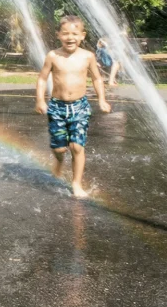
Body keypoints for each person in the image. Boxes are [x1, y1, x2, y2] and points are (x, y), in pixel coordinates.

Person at [35, 15, 111, 198]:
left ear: (82, 35)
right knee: (59, 148)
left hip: (80, 106)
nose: (70, 37)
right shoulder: (53, 56)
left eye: (74, 34)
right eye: (65, 33)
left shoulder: (88, 56)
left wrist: (102, 99)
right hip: (57, 107)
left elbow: (97, 78)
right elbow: (42, 79)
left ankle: (76, 184)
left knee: (77, 146)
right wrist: (40, 100)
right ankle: (59, 161)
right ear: (58, 35)